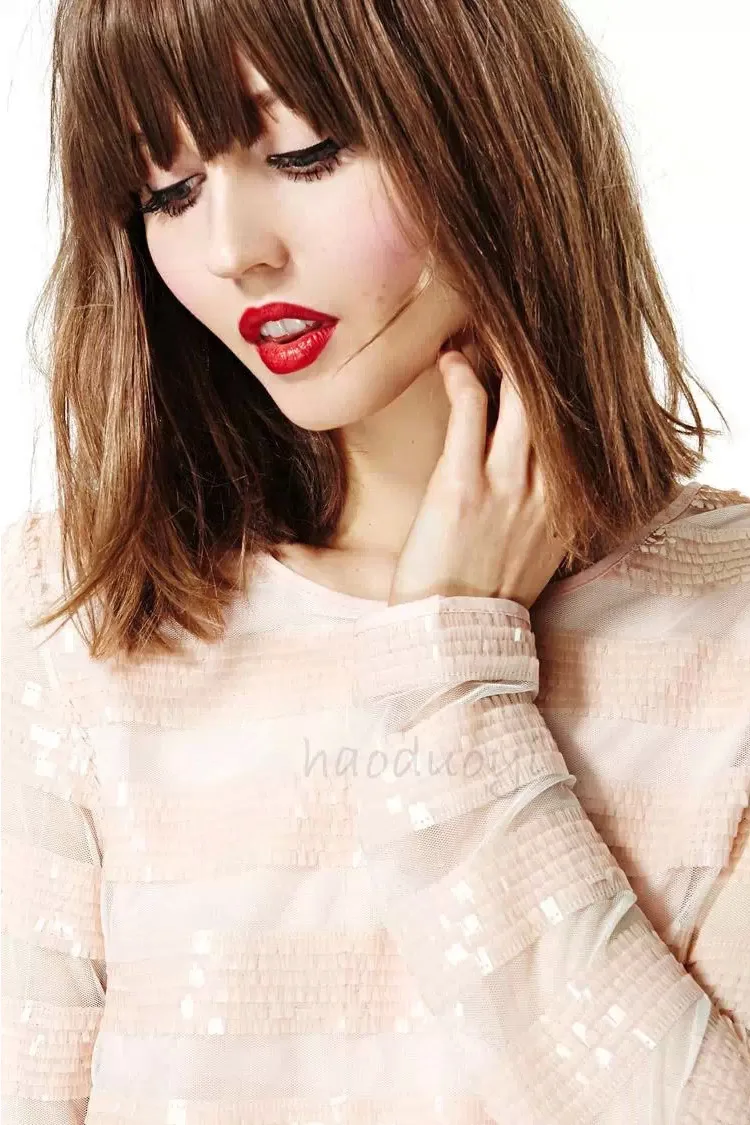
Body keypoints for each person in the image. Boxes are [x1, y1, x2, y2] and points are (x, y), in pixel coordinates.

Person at [2, 0, 749, 1122]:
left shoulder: (729, 632)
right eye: (169, 190)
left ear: (490, 123)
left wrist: (454, 681)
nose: (233, 251)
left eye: (305, 152)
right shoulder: (80, 613)